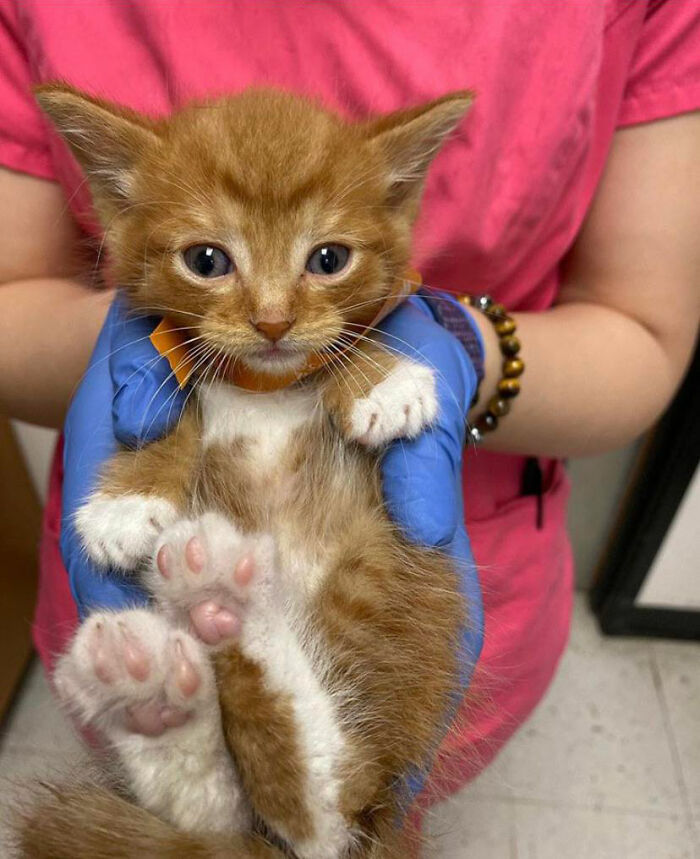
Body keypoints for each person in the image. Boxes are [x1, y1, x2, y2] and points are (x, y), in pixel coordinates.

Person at [0, 0, 698, 821]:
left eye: (324, 260)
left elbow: (646, 332)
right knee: (193, 719)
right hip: (162, 612)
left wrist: (468, 348)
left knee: (357, 781)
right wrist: (129, 357)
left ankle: (282, 785)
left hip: (403, 587)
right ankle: (218, 769)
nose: (270, 317)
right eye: (210, 259)